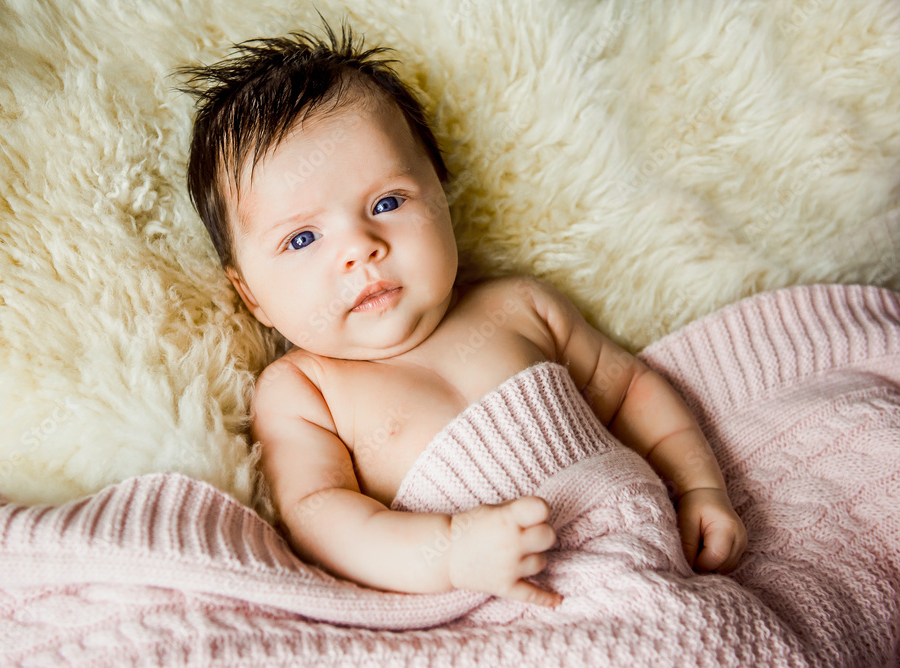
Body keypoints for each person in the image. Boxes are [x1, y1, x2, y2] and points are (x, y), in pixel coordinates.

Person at [178, 20, 746, 608]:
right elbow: (320, 517)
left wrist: (700, 486)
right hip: (500, 608)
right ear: (252, 297)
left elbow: (631, 393)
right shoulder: (306, 390)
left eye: (388, 202)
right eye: (301, 239)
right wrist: (448, 552)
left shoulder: (520, 307)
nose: (360, 248)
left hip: (654, 565)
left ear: (443, 198)